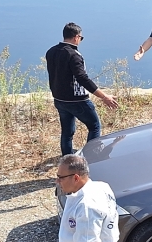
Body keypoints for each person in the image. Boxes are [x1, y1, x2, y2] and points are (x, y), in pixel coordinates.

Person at [46, 23, 118, 156]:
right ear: (76, 37)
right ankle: (91, 157)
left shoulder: (51, 51)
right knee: (94, 126)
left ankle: (67, 160)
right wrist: (104, 96)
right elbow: (82, 78)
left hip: (59, 99)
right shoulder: (74, 55)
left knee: (67, 132)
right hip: (77, 100)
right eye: (81, 38)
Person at [56, 154, 119, 242]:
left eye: (61, 177)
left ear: (76, 178)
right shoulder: (101, 187)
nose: (57, 181)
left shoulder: (87, 206)